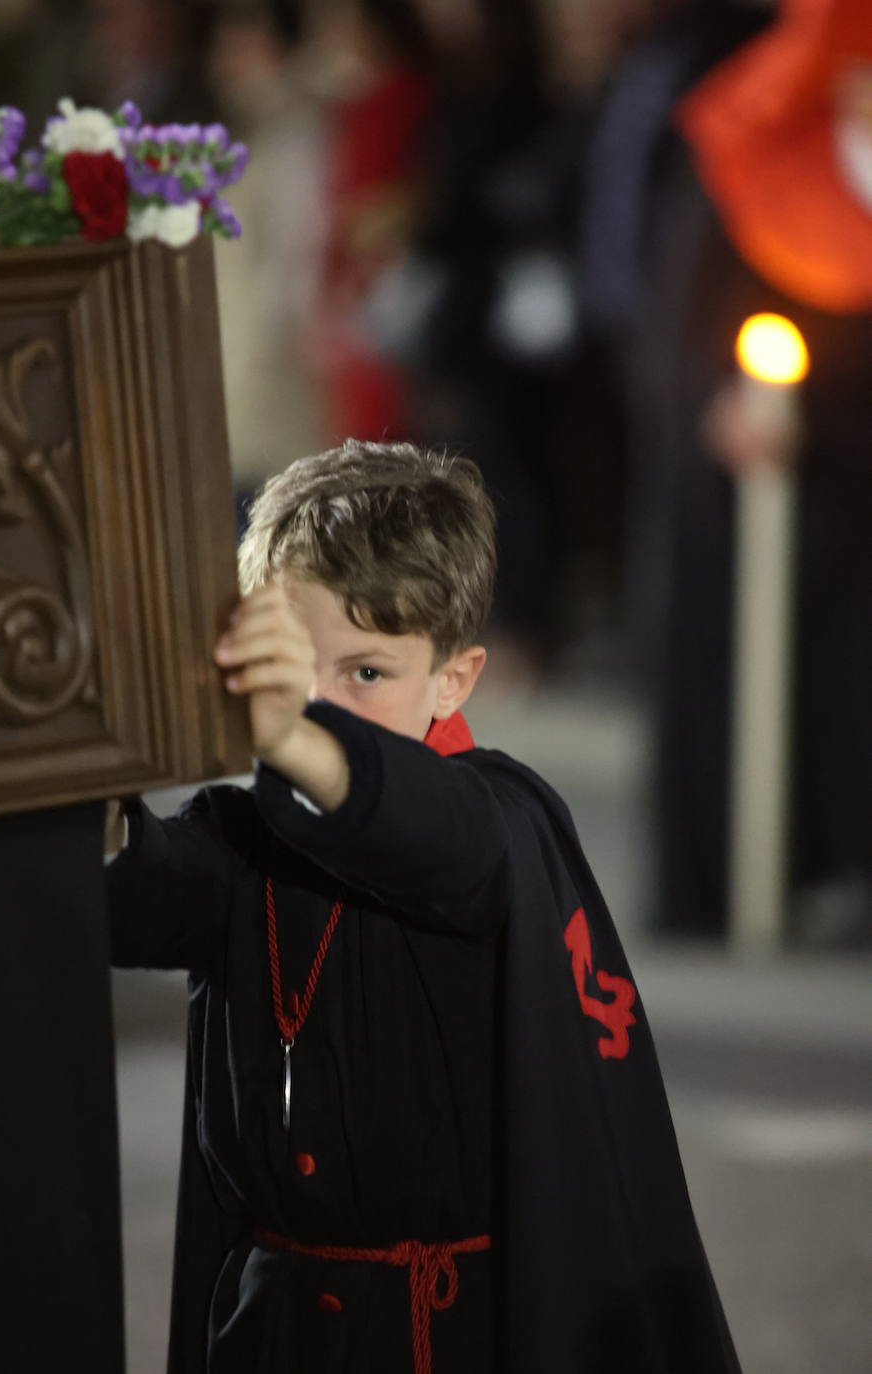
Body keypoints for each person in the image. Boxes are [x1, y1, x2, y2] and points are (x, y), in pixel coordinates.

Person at [106, 439, 740, 1373]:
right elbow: (125, 898)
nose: (322, 700)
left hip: (449, 1333)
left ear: (454, 678)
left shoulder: (502, 820)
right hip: (271, 1328)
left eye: (365, 673)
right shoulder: (237, 836)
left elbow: (421, 827)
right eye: (297, 668)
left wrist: (291, 729)